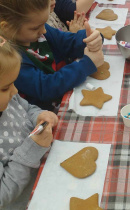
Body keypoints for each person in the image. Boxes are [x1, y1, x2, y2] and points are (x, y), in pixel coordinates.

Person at [0, 0, 104, 111]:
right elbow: (45, 87)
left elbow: (66, 42)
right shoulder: (9, 58)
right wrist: (86, 65)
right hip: (49, 113)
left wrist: (90, 37)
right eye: (35, 28)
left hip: (68, 94)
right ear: (7, 27)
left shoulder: (39, 30)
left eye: (44, 23)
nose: (44, 30)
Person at [0, 36, 58, 208]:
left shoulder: (8, 99)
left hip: (46, 169)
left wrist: (39, 116)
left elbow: (26, 108)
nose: (15, 91)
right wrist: (33, 148)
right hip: (30, 200)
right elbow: (4, 194)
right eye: (5, 88)